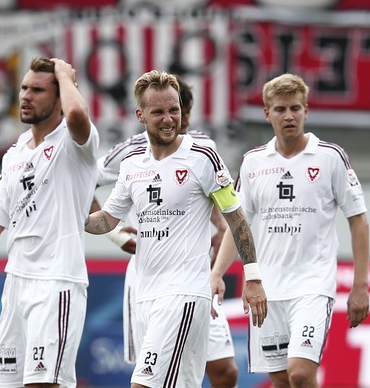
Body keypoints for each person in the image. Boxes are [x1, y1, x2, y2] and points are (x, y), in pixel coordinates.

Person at [85, 70, 267, 388]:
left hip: (184, 293)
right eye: (159, 112)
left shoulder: (204, 156)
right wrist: (67, 217)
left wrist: (252, 277)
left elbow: (236, 218)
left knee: (145, 384)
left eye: (175, 110)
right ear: (140, 115)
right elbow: (107, 220)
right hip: (144, 294)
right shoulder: (130, 163)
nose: (169, 119)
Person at [0, 57, 99, 388]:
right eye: (24, 88)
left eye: (37, 90)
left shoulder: (75, 144)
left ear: (59, 96)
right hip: (16, 286)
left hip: (56, 283)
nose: (25, 96)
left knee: (42, 384)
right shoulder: (15, 153)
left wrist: (65, 77)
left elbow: (78, 114)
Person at [213, 73, 370, 388]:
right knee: (282, 380)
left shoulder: (330, 157)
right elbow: (238, 222)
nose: (289, 116)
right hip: (267, 289)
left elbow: (358, 219)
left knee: (300, 372)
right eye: (281, 109)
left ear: (306, 111)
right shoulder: (253, 162)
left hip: (313, 285)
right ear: (267, 113)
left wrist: (360, 286)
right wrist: (217, 273)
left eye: (296, 108)